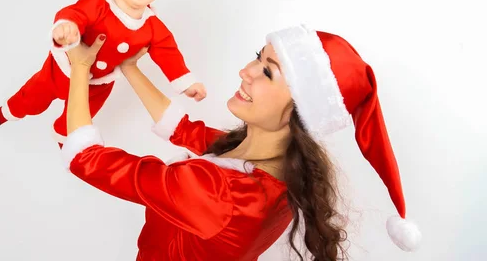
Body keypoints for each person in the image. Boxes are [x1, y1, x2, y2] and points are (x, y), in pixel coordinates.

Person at [60, 24, 421, 260]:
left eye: (267, 72)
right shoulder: (263, 162)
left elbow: (87, 159)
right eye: (257, 58)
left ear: (300, 111)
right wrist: (129, 67)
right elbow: (182, 128)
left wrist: (79, 66)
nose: (245, 72)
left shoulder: (222, 193)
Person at [0, 0, 207, 146]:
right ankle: (4, 113)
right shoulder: (100, 2)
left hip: (97, 85)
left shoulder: (152, 25)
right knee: (32, 97)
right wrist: (67, 27)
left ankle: (66, 141)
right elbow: (76, 13)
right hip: (60, 71)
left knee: (79, 120)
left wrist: (186, 82)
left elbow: (168, 53)